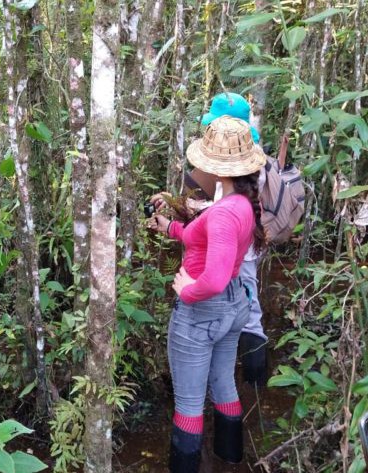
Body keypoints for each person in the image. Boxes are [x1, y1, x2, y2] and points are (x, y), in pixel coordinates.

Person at [148, 116, 266, 470]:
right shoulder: (241, 204)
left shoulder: (223, 214)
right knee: (223, 384)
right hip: (232, 306)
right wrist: (169, 227)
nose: (195, 170)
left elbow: (212, 278)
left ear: (218, 172)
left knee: (188, 402)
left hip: (203, 312)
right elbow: (202, 237)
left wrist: (188, 291)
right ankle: (230, 460)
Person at [153, 92, 270, 386]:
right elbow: (217, 207)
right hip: (239, 250)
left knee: (247, 310)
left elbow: (220, 216)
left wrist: (188, 291)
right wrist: (172, 208)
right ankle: (250, 391)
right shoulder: (245, 165)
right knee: (247, 310)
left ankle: (255, 386)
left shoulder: (238, 173)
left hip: (229, 260)